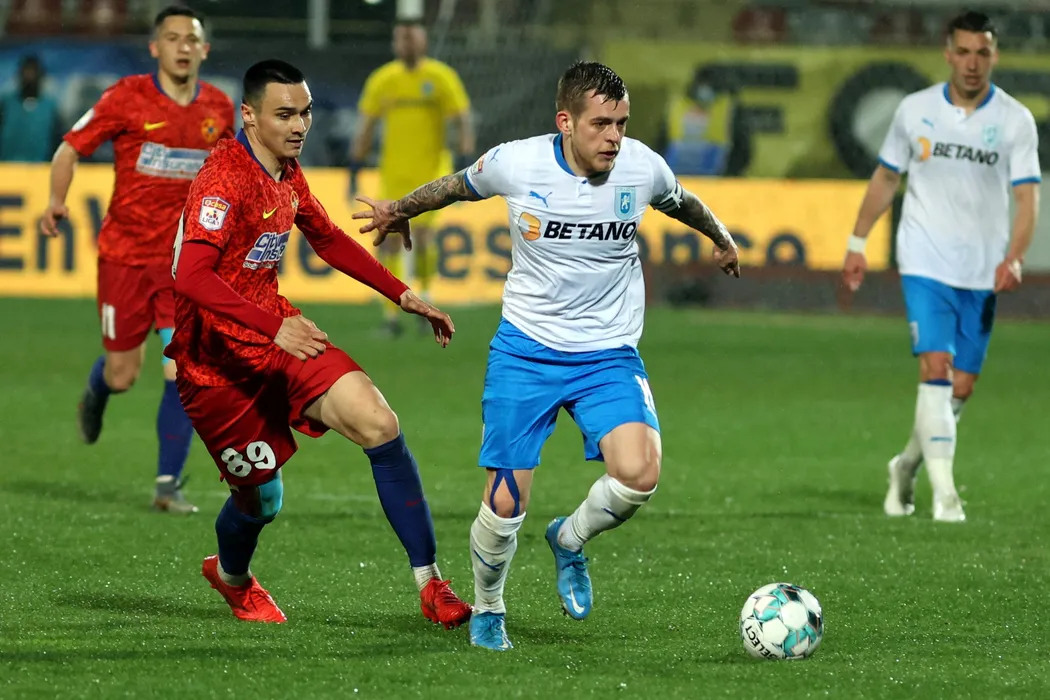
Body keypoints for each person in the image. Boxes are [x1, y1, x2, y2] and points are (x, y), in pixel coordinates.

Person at [353, 61, 741, 650]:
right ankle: (489, 607)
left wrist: (721, 238)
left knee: (640, 474)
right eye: (601, 124)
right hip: (527, 351)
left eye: (621, 123)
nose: (614, 137)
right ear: (565, 121)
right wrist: (400, 208)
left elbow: (681, 201)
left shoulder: (641, 167)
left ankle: (569, 539)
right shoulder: (518, 162)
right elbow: (456, 185)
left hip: (608, 353)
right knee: (506, 503)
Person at [165, 58, 472, 628]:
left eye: (305, 113)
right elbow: (192, 277)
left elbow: (327, 238)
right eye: (285, 115)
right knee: (262, 501)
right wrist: (271, 327)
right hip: (216, 366)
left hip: (281, 339)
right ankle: (232, 576)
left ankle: (431, 584)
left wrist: (402, 294)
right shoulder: (224, 178)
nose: (300, 125)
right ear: (249, 116)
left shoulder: (286, 171)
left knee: (380, 424)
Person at [842, 11, 1041, 523]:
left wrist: (1016, 257)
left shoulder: (1015, 120)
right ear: (948, 54)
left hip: (982, 269)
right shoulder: (915, 110)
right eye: (964, 52)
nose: (972, 63)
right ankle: (946, 496)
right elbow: (887, 178)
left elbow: (1027, 198)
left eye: (982, 53)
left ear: (994, 56)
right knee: (935, 367)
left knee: (961, 387)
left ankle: (905, 467)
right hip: (924, 259)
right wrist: (858, 241)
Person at [40, 5, 235, 514]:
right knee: (123, 374)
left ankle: (167, 486)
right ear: (155, 47)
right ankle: (97, 389)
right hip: (125, 258)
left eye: (191, 38)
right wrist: (57, 201)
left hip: (183, 265)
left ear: (204, 49)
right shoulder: (126, 97)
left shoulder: (218, 108)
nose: (182, 46)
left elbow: (230, 176)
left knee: (183, 368)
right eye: (172, 38)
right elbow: (69, 148)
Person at [350, 17, 474, 337]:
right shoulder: (383, 80)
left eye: (412, 38)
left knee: (424, 238)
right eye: (402, 38)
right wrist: (355, 165)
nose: (407, 44)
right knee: (388, 239)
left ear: (423, 41)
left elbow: (462, 118)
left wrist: (464, 158)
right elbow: (366, 124)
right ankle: (391, 316)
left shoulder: (440, 77)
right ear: (395, 43)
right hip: (394, 173)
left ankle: (426, 300)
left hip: (431, 173)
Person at [0, 54, 63, 163]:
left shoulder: (50, 107)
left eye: (33, 72)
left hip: (40, 168)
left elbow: (57, 140)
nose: (29, 76)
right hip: (6, 167)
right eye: (26, 71)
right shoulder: (6, 103)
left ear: (41, 76)